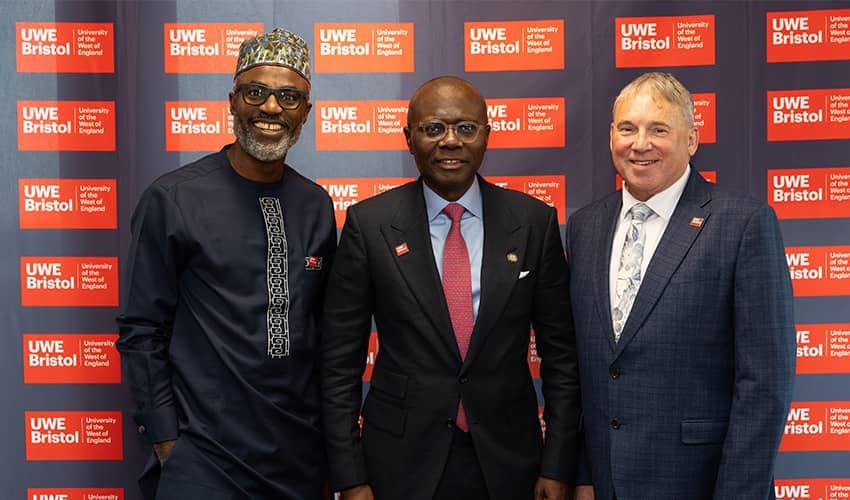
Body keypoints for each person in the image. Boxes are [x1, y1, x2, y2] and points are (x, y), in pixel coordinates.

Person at [321, 75, 582, 500]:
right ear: (409, 139)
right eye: (433, 128)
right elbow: (338, 363)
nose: (450, 142)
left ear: (486, 136)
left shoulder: (533, 222)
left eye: (465, 128)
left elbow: (562, 357)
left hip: (510, 461)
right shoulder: (369, 225)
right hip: (399, 463)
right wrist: (350, 476)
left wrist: (558, 463)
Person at [116, 28, 336, 499]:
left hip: (297, 457)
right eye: (256, 92)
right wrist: (167, 440)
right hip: (205, 459)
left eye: (289, 97)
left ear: (306, 113)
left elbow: (319, 333)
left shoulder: (316, 205)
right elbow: (141, 330)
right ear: (233, 101)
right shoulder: (173, 199)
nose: (271, 109)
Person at [565, 72, 795, 500]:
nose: (640, 144)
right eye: (628, 128)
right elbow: (590, 372)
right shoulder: (584, 226)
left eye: (659, 129)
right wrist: (583, 475)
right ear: (611, 136)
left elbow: (764, 384)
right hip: (605, 483)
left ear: (691, 139)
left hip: (699, 483)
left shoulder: (743, 223)